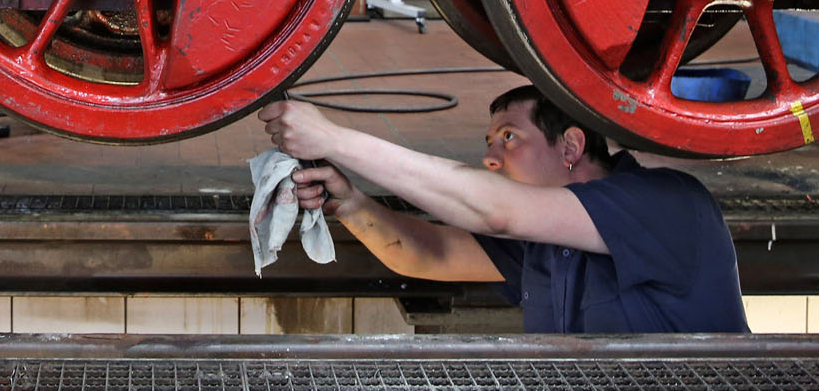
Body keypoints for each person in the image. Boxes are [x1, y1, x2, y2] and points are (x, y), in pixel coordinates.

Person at [257, 85, 748, 333]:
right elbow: (430, 256)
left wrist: (335, 139)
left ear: (571, 146)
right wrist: (352, 202)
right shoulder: (546, 240)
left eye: (510, 137)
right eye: (490, 141)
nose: (491, 156)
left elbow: (496, 211)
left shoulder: (663, 203)